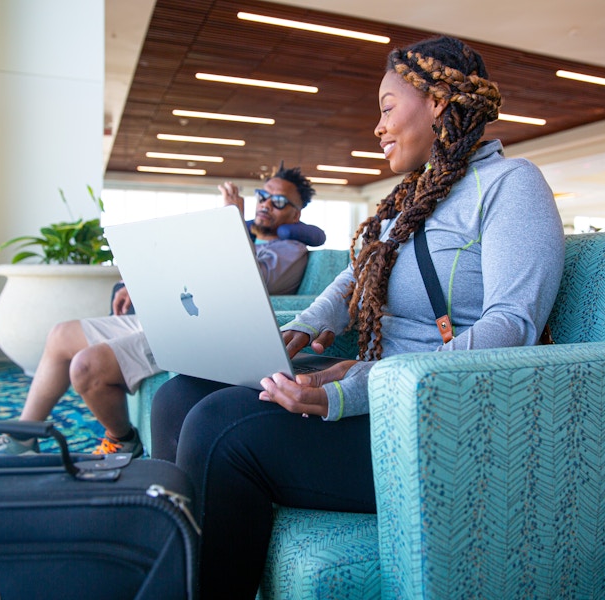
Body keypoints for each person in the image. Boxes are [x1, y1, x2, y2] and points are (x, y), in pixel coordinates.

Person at [150, 35, 565, 598]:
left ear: (438, 102)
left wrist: (362, 385)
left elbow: (511, 325)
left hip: (437, 420)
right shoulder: (418, 197)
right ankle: (171, 570)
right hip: (382, 389)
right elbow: (357, 279)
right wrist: (296, 332)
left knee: (219, 426)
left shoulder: (511, 186)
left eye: (387, 108)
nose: (378, 127)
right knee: (179, 395)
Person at [0, 164, 318, 457]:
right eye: (263, 195)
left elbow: (246, 279)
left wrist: (232, 219)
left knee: (86, 367)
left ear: (296, 214)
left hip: (205, 329)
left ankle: (122, 440)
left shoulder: (291, 249)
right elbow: (189, 271)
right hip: (178, 310)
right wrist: (142, 285)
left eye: (279, 202)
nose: (265, 205)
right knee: (60, 335)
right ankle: (23, 436)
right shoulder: (240, 236)